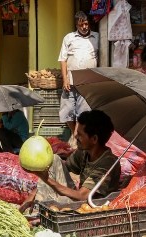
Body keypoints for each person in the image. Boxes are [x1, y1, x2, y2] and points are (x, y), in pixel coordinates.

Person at [22, 110, 120, 210]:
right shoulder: (84, 152)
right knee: (54, 159)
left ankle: (38, 211)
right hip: (79, 200)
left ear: (94, 139)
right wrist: (33, 194)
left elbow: (82, 196)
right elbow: (57, 170)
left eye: (80, 134)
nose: (75, 136)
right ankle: (34, 209)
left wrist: (46, 179)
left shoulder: (107, 163)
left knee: (54, 199)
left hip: (92, 207)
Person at [58, 11, 99, 143]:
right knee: (67, 111)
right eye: (81, 25)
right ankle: (75, 134)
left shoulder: (97, 37)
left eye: (86, 24)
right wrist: (65, 79)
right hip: (70, 81)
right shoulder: (68, 38)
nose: (84, 27)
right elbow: (63, 59)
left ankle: (77, 138)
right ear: (76, 25)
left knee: (83, 112)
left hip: (87, 82)